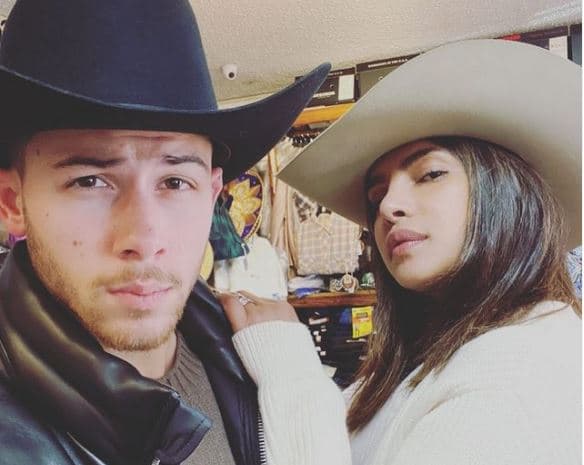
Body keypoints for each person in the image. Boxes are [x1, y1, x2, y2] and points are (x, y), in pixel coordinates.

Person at [221, 39, 582, 465]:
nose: (389, 207)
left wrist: (290, 368)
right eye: (376, 197)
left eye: (430, 174)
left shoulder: (521, 373)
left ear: (505, 191)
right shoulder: (435, 353)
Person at [0, 1, 329, 464]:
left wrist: (293, 381)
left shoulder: (261, 364)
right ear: (12, 203)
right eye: (90, 181)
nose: (144, 238)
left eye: (175, 182)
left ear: (211, 196)